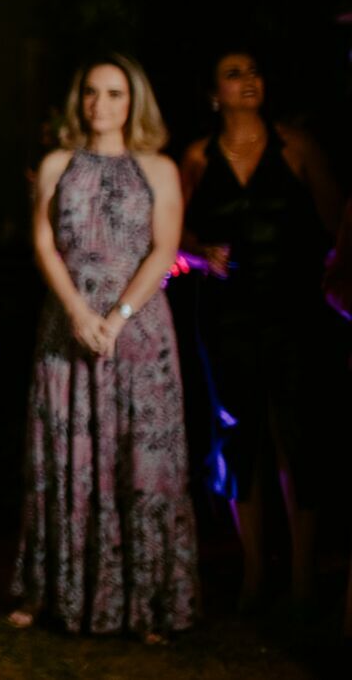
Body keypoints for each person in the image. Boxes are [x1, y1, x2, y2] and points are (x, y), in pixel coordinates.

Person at [10, 55, 197, 642]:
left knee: (141, 460)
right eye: (92, 93)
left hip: (139, 329)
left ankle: (148, 602)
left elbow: (165, 249)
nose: (102, 105)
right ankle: (56, 591)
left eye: (115, 93)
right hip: (69, 323)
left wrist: (116, 317)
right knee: (68, 459)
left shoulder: (160, 168)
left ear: (133, 100)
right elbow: (43, 242)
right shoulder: (56, 163)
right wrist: (77, 312)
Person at [178, 48, 342, 609]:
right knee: (238, 437)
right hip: (226, 316)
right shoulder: (197, 157)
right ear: (213, 95)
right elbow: (171, 235)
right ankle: (252, 573)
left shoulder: (297, 147)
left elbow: (339, 224)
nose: (247, 81)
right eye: (233, 74)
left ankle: (300, 575)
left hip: (294, 312)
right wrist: (202, 253)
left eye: (253, 71)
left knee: (297, 435)